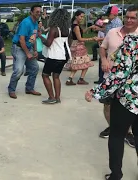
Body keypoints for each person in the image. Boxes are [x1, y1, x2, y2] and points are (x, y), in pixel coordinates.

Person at [85, 34, 138, 180]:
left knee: (116, 136)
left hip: (129, 99)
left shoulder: (133, 42)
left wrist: (96, 91)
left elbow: (121, 74)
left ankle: (116, 175)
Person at [97, 5, 138, 148]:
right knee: (107, 105)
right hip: (110, 77)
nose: (129, 20)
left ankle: (128, 132)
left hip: (131, 84)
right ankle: (113, 127)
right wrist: (103, 59)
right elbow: (103, 48)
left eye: (133, 18)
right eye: (127, 17)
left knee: (128, 109)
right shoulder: (112, 32)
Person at [8, 5, 42, 99]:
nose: (39, 13)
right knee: (19, 70)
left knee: (35, 68)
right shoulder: (26, 23)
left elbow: (33, 38)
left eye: (40, 12)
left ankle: (29, 88)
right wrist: (27, 53)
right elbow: (22, 40)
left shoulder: (35, 23)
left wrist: (35, 50)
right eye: (37, 12)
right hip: (19, 48)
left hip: (28, 48)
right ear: (31, 12)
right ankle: (11, 89)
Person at [38, 8, 72, 104]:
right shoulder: (68, 29)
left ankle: (51, 97)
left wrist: (40, 36)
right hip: (64, 56)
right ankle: (57, 97)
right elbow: (69, 43)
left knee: (45, 75)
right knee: (56, 76)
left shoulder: (54, 29)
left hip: (54, 56)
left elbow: (48, 43)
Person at [64, 10, 97, 85]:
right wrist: (92, 39)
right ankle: (80, 79)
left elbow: (81, 33)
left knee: (78, 63)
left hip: (75, 45)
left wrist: (89, 28)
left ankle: (70, 79)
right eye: (81, 16)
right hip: (79, 46)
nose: (82, 18)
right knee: (85, 63)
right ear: (76, 16)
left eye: (83, 17)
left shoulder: (74, 25)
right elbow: (80, 38)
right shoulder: (76, 26)